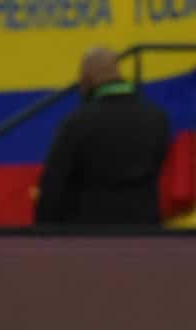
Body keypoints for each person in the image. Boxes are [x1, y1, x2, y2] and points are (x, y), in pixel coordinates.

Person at [35, 47, 172, 228]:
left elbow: (53, 186)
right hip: (145, 230)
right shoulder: (157, 118)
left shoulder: (76, 124)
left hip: (90, 234)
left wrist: (43, 231)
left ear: (86, 80)